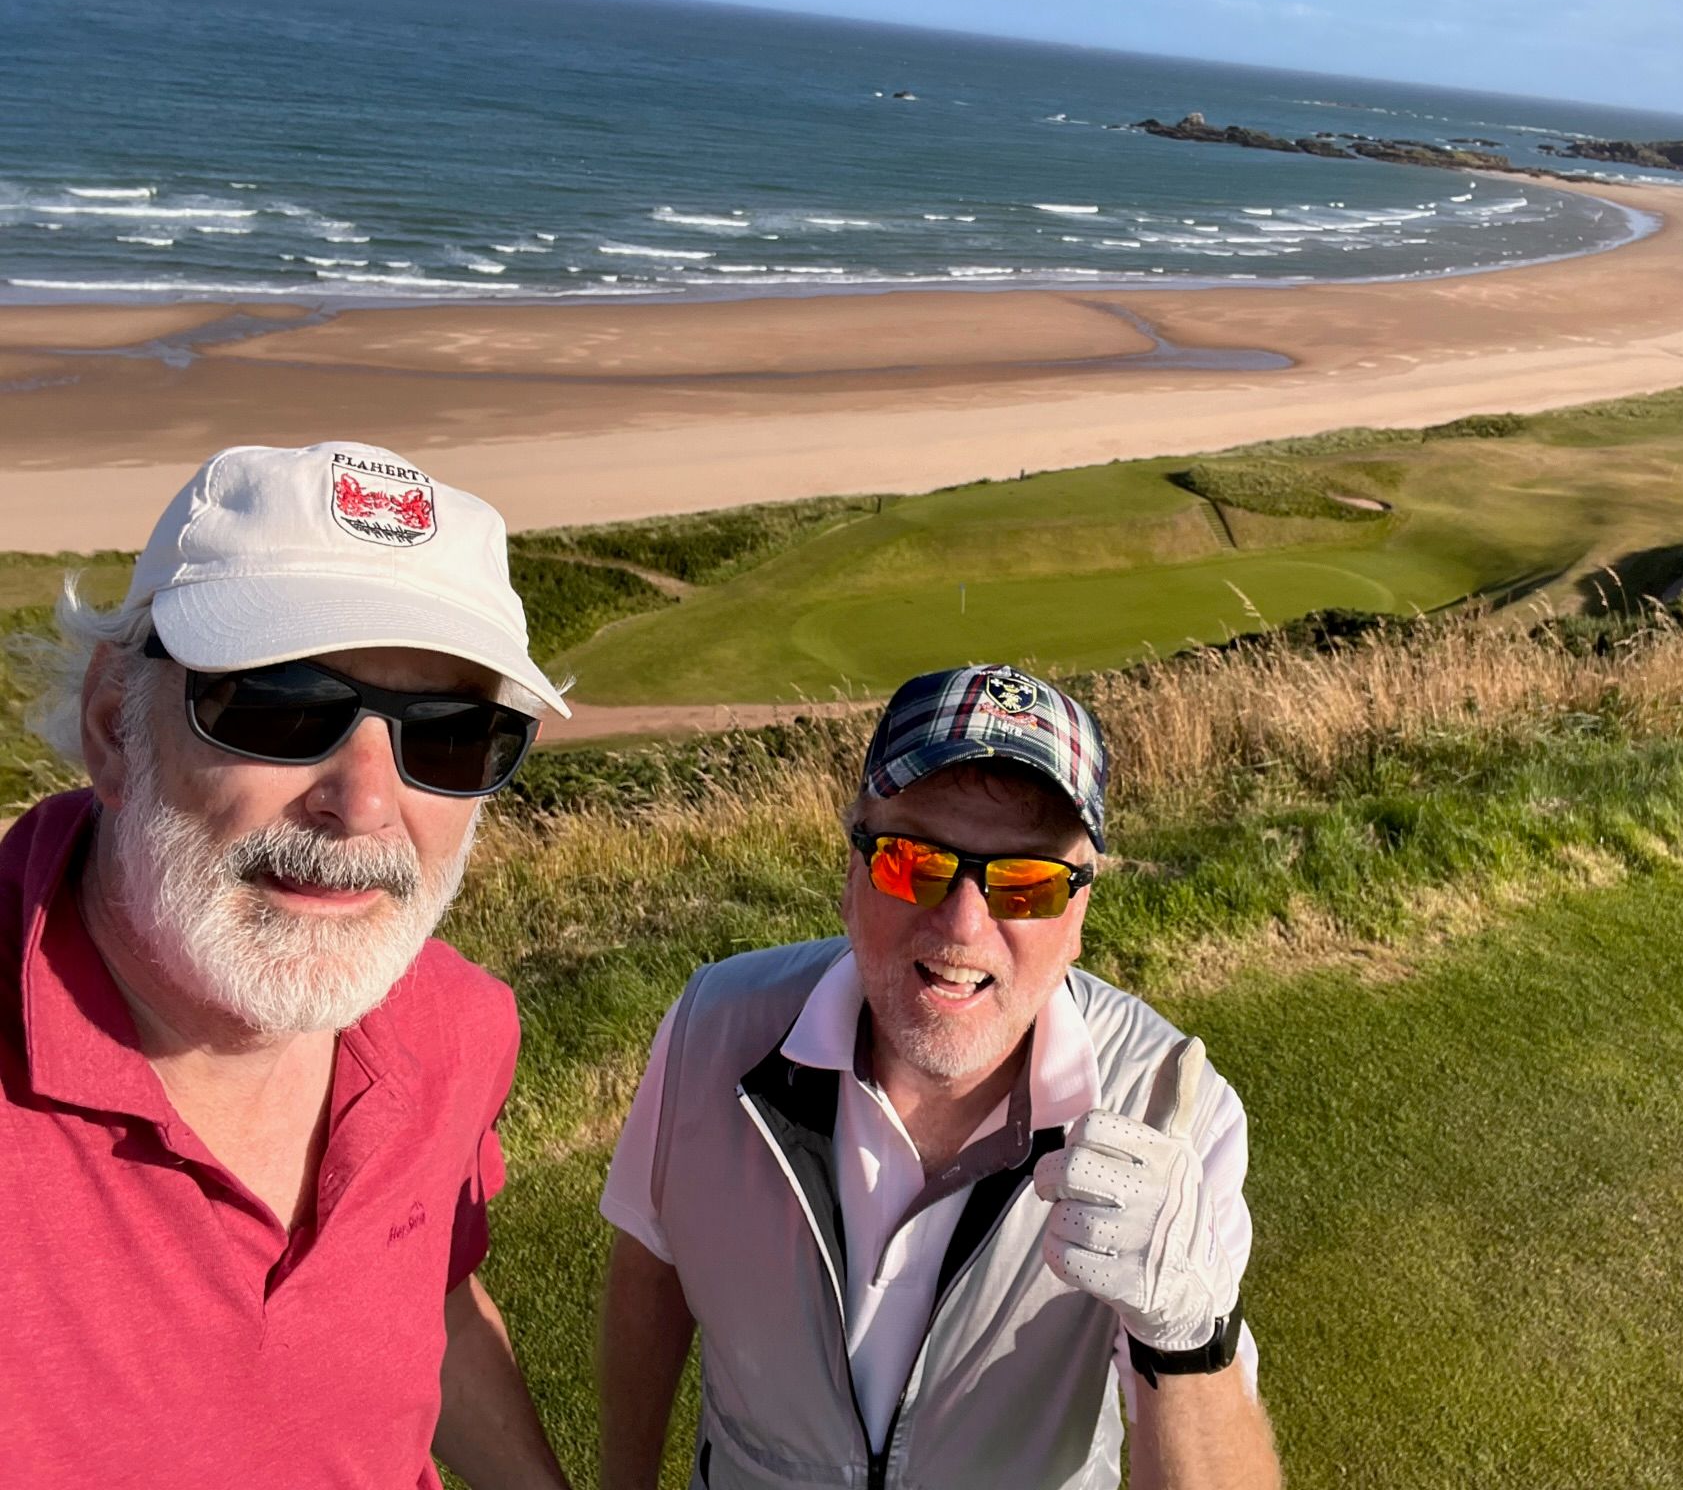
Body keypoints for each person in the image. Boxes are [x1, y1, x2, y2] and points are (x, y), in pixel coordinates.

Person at [1, 442, 574, 1488]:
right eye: (282, 706)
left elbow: (432, 1299)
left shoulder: (457, 1027)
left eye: (450, 735)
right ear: (114, 726)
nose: (363, 804)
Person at [598, 665, 1283, 1489]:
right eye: (913, 861)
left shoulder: (1169, 1111)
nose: (962, 924)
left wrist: (1185, 1335)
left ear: (1078, 913)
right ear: (852, 872)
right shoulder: (710, 1027)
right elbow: (652, 1265)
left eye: (1026, 882)